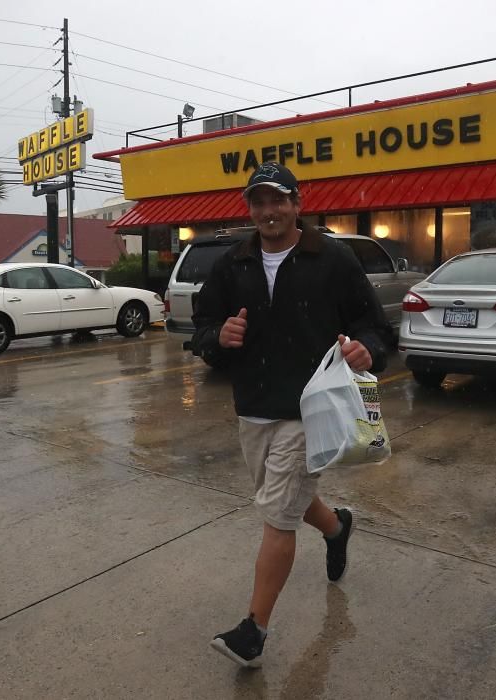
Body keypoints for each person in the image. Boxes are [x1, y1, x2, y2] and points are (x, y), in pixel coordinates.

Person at [192, 161, 393, 668]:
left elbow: (373, 325)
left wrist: (366, 349)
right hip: (254, 406)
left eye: (278, 200)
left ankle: (254, 630)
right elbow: (203, 324)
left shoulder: (332, 258)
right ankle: (336, 527)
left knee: (277, 514)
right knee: (285, 498)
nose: (268, 211)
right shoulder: (233, 263)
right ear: (250, 209)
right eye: (258, 202)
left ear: (297, 205)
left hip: (313, 409)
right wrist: (218, 337)